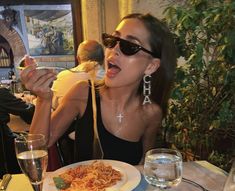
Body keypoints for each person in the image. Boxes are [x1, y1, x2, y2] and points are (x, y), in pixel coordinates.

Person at [19, 13, 176, 166]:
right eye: (112, 40)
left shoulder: (151, 113)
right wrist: (44, 99)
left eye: (129, 46)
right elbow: (37, 148)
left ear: (151, 66)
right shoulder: (83, 92)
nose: (114, 49)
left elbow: (145, 163)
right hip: (84, 190)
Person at [52, 39, 105, 109]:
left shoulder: (62, 76)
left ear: (78, 58)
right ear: (103, 59)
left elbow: (54, 105)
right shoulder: (111, 79)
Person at [0, 87, 35, 178]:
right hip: (4, 149)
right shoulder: (1, 93)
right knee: (33, 139)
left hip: (6, 137)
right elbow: (30, 113)